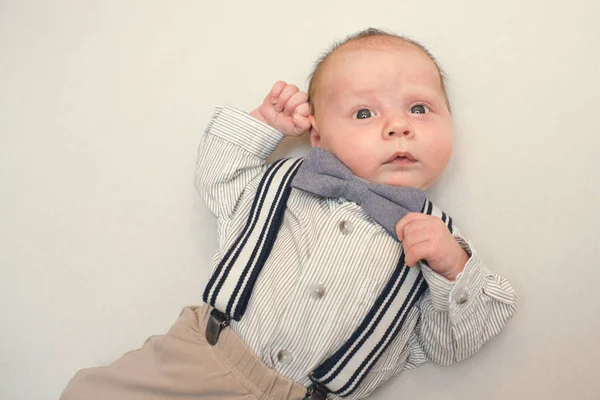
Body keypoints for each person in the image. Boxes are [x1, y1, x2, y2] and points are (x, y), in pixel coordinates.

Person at [60, 28, 517, 400]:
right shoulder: (287, 183)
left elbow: (447, 345)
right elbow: (219, 178)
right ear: (317, 137)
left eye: (420, 108)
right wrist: (263, 125)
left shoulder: (440, 243)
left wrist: (456, 270)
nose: (398, 125)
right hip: (204, 358)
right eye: (363, 112)